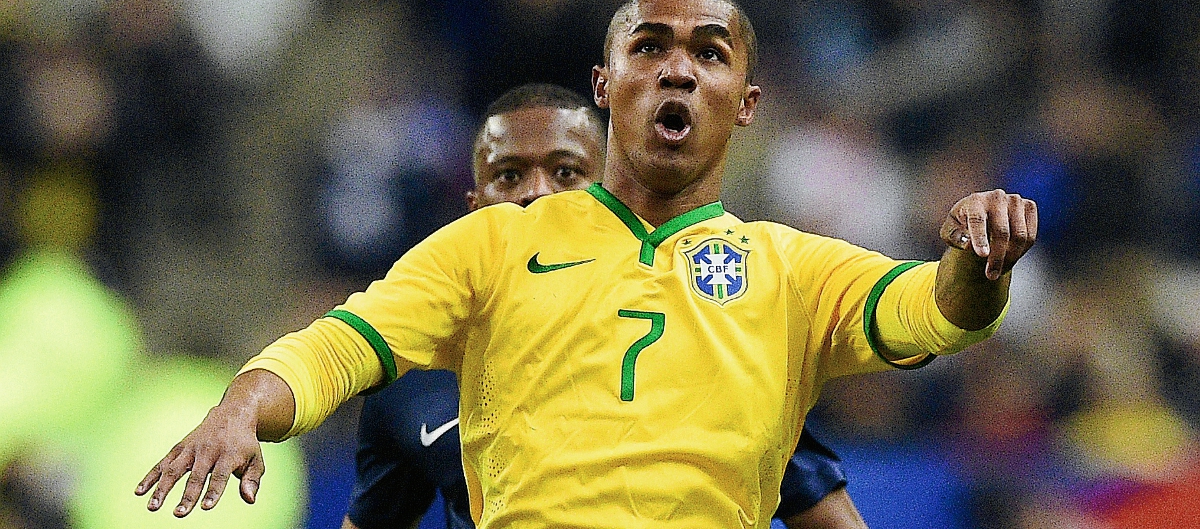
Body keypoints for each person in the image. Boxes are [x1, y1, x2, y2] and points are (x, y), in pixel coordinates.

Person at [136, 0, 1037, 529]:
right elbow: (342, 343)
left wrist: (977, 261)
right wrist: (245, 403)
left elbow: (933, 311)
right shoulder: (494, 244)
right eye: (650, 47)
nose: (677, 69)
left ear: (748, 102)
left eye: (708, 53)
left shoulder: (792, 271)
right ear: (606, 86)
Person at [342, 83, 867, 529]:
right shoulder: (411, 378)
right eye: (509, 177)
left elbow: (827, 515)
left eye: (567, 174)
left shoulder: (704, 348)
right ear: (474, 206)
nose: (537, 196)